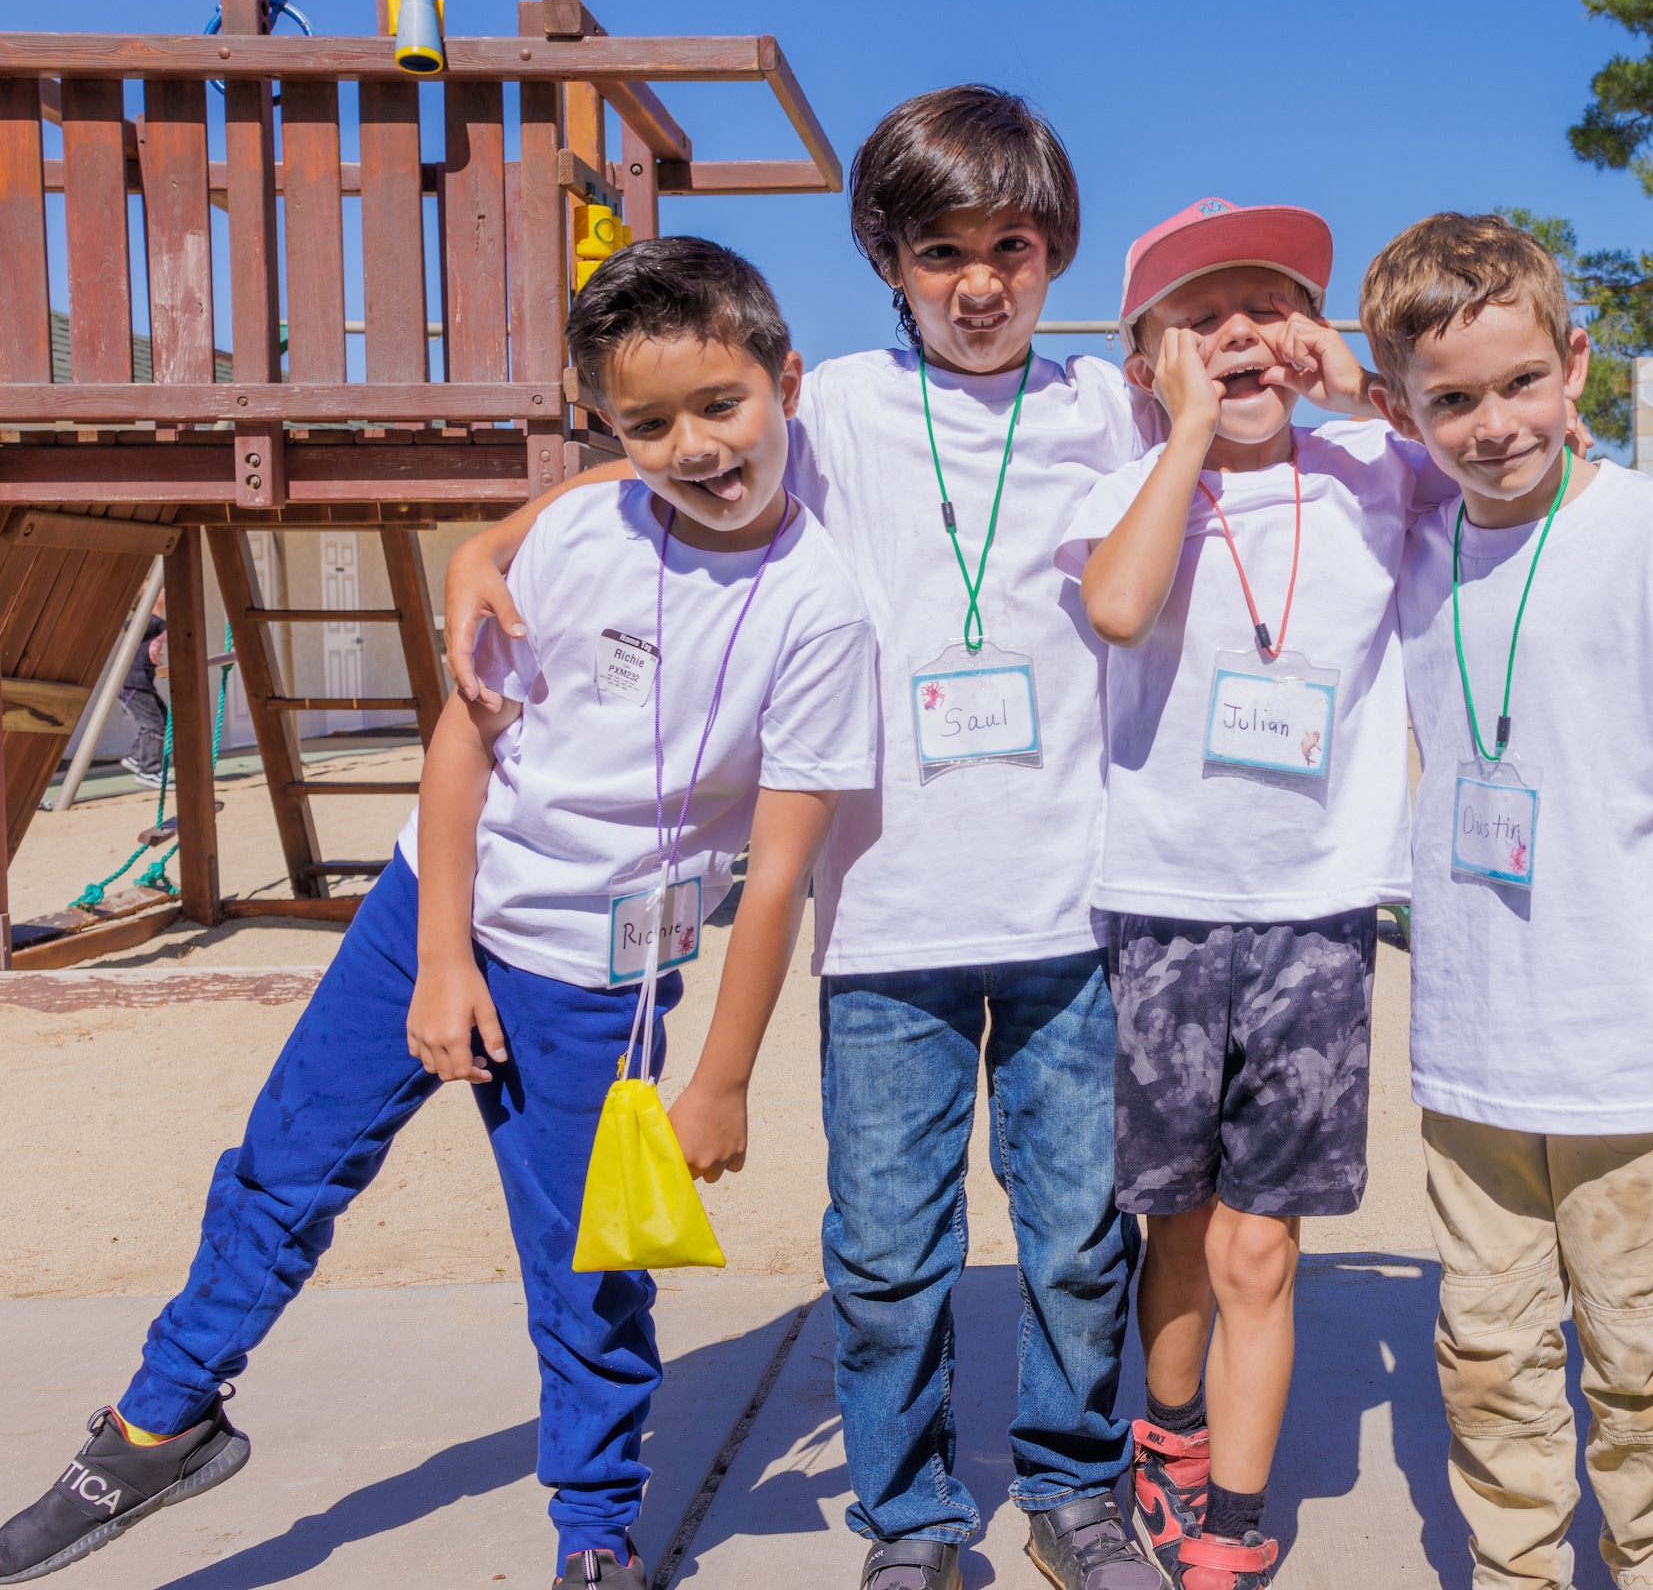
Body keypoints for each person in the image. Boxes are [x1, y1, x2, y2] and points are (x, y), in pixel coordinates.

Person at [0, 237, 879, 1590]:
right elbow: (465, 741)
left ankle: (594, 1528)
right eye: (647, 423)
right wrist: (440, 954)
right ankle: (158, 1423)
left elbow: (779, 869)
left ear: (787, 385)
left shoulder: (820, 610)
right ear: (607, 429)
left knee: (585, 1273)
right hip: (433, 904)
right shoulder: (584, 529)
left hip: (603, 979)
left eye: (721, 406)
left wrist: (721, 1079)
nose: (695, 445)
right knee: (281, 1172)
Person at [442, 89, 1171, 1590]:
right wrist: (485, 541)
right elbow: (653, 459)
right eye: (942, 252)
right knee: (890, 1256)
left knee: (1077, 1243)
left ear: (1058, 253)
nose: (982, 283)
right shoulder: (829, 400)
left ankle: (1074, 1486)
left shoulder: (1114, 408)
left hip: (1071, 911)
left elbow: (1271, 420)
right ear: (887, 260)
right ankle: (907, 1519)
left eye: (1015, 247)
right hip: (889, 921)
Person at [1361, 212, 1653, 1590]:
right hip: (1476, 1050)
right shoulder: (1417, 545)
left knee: (1639, 1343)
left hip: (1635, 1039)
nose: (1493, 424)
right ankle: (1517, 1564)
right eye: (1450, 400)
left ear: (1577, 365)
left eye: (1520, 384)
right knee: (1486, 1344)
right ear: (1400, 408)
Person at [1061, 198, 1429, 1590]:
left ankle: (1235, 1515)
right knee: (1173, 1225)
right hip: (1161, 903)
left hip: (1319, 910)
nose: (1239, 334)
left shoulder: (1375, 473)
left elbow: (1539, 471)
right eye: (1201, 314)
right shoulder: (1129, 484)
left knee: (1260, 1245)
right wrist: (1192, 434)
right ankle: (1166, 1436)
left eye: (1271, 304)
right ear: (1149, 348)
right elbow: (1117, 607)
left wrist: (1373, 391)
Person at [117, 592, 167, 788]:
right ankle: (149, 769)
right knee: (155, 725)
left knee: (163, 718)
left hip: (143, 683)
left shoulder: (156, 622)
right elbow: (122, 627)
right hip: (133, 684)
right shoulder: (148, 621)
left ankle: (137, 757)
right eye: (161, 589)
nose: (165, 590)